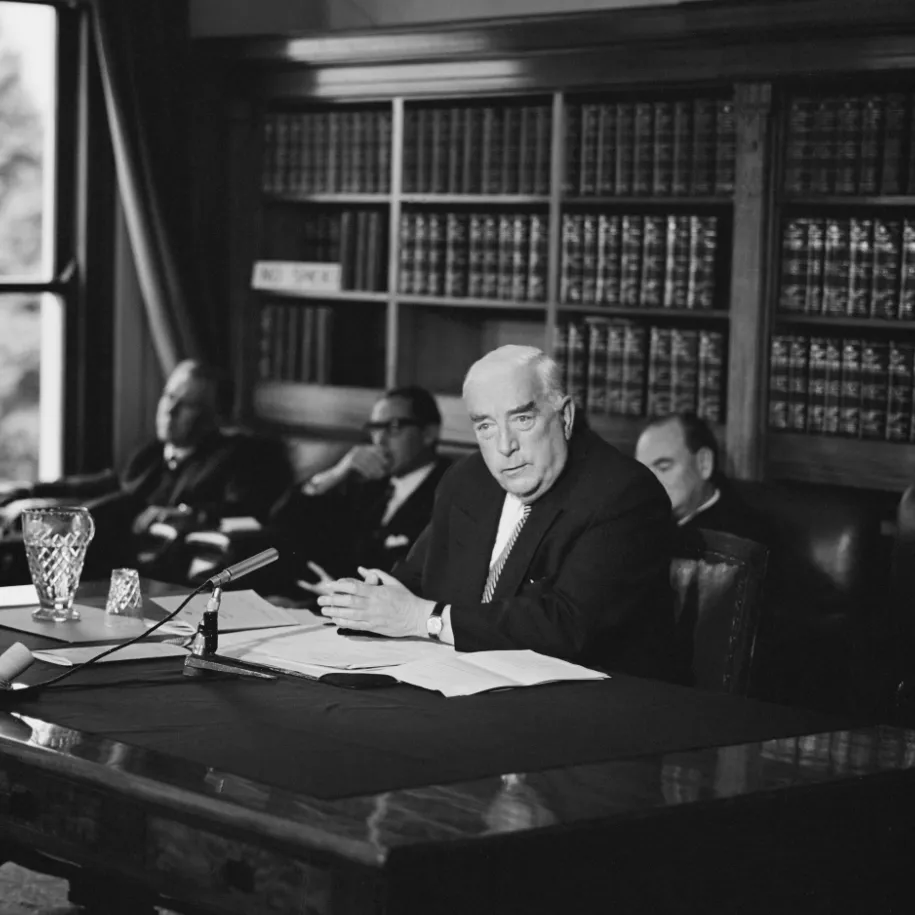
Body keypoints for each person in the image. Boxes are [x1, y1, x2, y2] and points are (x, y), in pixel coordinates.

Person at [316, 345, 681, 681]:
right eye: (486, 426)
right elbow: (417, 579)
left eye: (522, 420)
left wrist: (424, 619)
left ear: (565, 416)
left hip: (593, 705)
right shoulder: (467, 480)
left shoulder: (622, 492)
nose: (505, 446)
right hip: (467, 684)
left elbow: (568, 626)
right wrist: (368, 603)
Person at [0, 359, 293, 581]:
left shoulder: (238, 457)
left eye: (188, 404)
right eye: (169, 396)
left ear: (215, 416)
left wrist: (186, 512)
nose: (170, 410)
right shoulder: (151, 452)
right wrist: (30, 489)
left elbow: (245, 509)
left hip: (139, 561)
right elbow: (107, 482)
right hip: (97, 547)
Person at [268, 385, 450, 596]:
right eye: (375, 428)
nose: (380, 440)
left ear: (428, 433)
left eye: (394, 427)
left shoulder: (450, 491)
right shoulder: (365, 481)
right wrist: (336, 473)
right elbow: (282, 523)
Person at [634, 412, 770, 546]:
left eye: (663, 468)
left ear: (704, 464)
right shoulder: (637, 522)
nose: (648, 482)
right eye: (642, 471)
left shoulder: (743, 539)